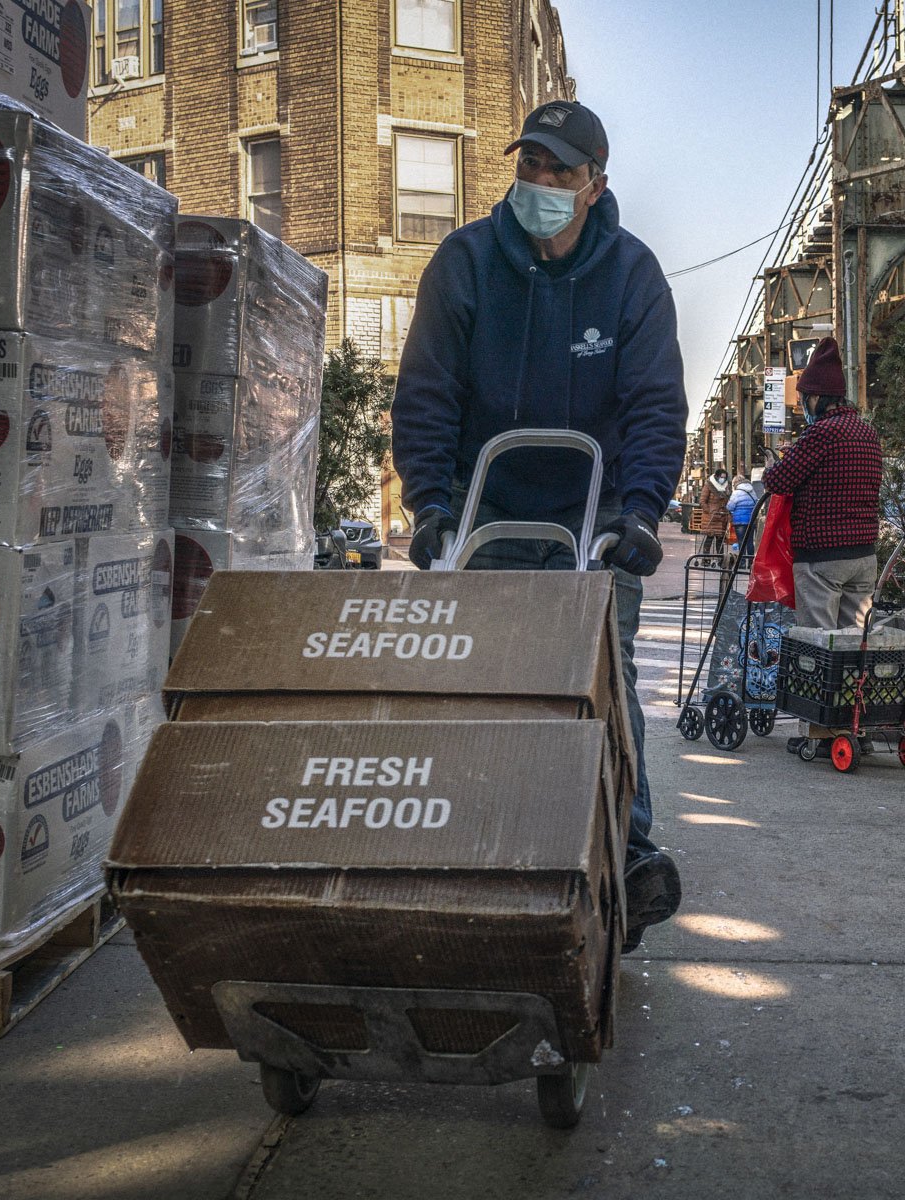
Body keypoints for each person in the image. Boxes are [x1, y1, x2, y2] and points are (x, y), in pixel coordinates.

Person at [390, 99, 689, 953]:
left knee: (607, 674)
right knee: (477, 681)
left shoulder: (632, 275)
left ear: (594, 183)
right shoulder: (465, 263)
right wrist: (431, 507)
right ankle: (460, 840)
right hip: (487, 510)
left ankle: (628, 851)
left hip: (593, 519)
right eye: (531, 166)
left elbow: (652, 406)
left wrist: (641, 512)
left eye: (562, 170)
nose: (543, 183)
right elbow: (429, 391)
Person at [760, 337, 885, 757]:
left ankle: (818, 732)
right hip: (864, 557)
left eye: (805, 399)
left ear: (818, 397)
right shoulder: (867, 435)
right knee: (854, 645)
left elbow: (779, 481)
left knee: (817, 644)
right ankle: (854, 726)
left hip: (822, 559)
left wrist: (777, 462)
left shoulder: (822, 435)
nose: (803, 407)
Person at [697, 466, 732, 556]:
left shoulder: (727, 487)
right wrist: (709, 510)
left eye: (724, 477)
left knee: (720, 539)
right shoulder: (709, 485)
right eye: (721, 477)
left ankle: (720, 558)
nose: (722, 479)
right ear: (717, 477)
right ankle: (706, 557)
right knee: (709, 537)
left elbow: (728, 501)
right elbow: (702, 501)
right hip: (711, 517)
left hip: (721, 516)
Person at [726, 471, 760, 555]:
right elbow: (756, 503)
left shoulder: (736, 493)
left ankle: (742, 562)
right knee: (750, 542)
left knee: (741, 542)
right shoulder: (752, 491)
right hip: (751, 520)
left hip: (740, 521)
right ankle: (751, 562)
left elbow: (730, 506)